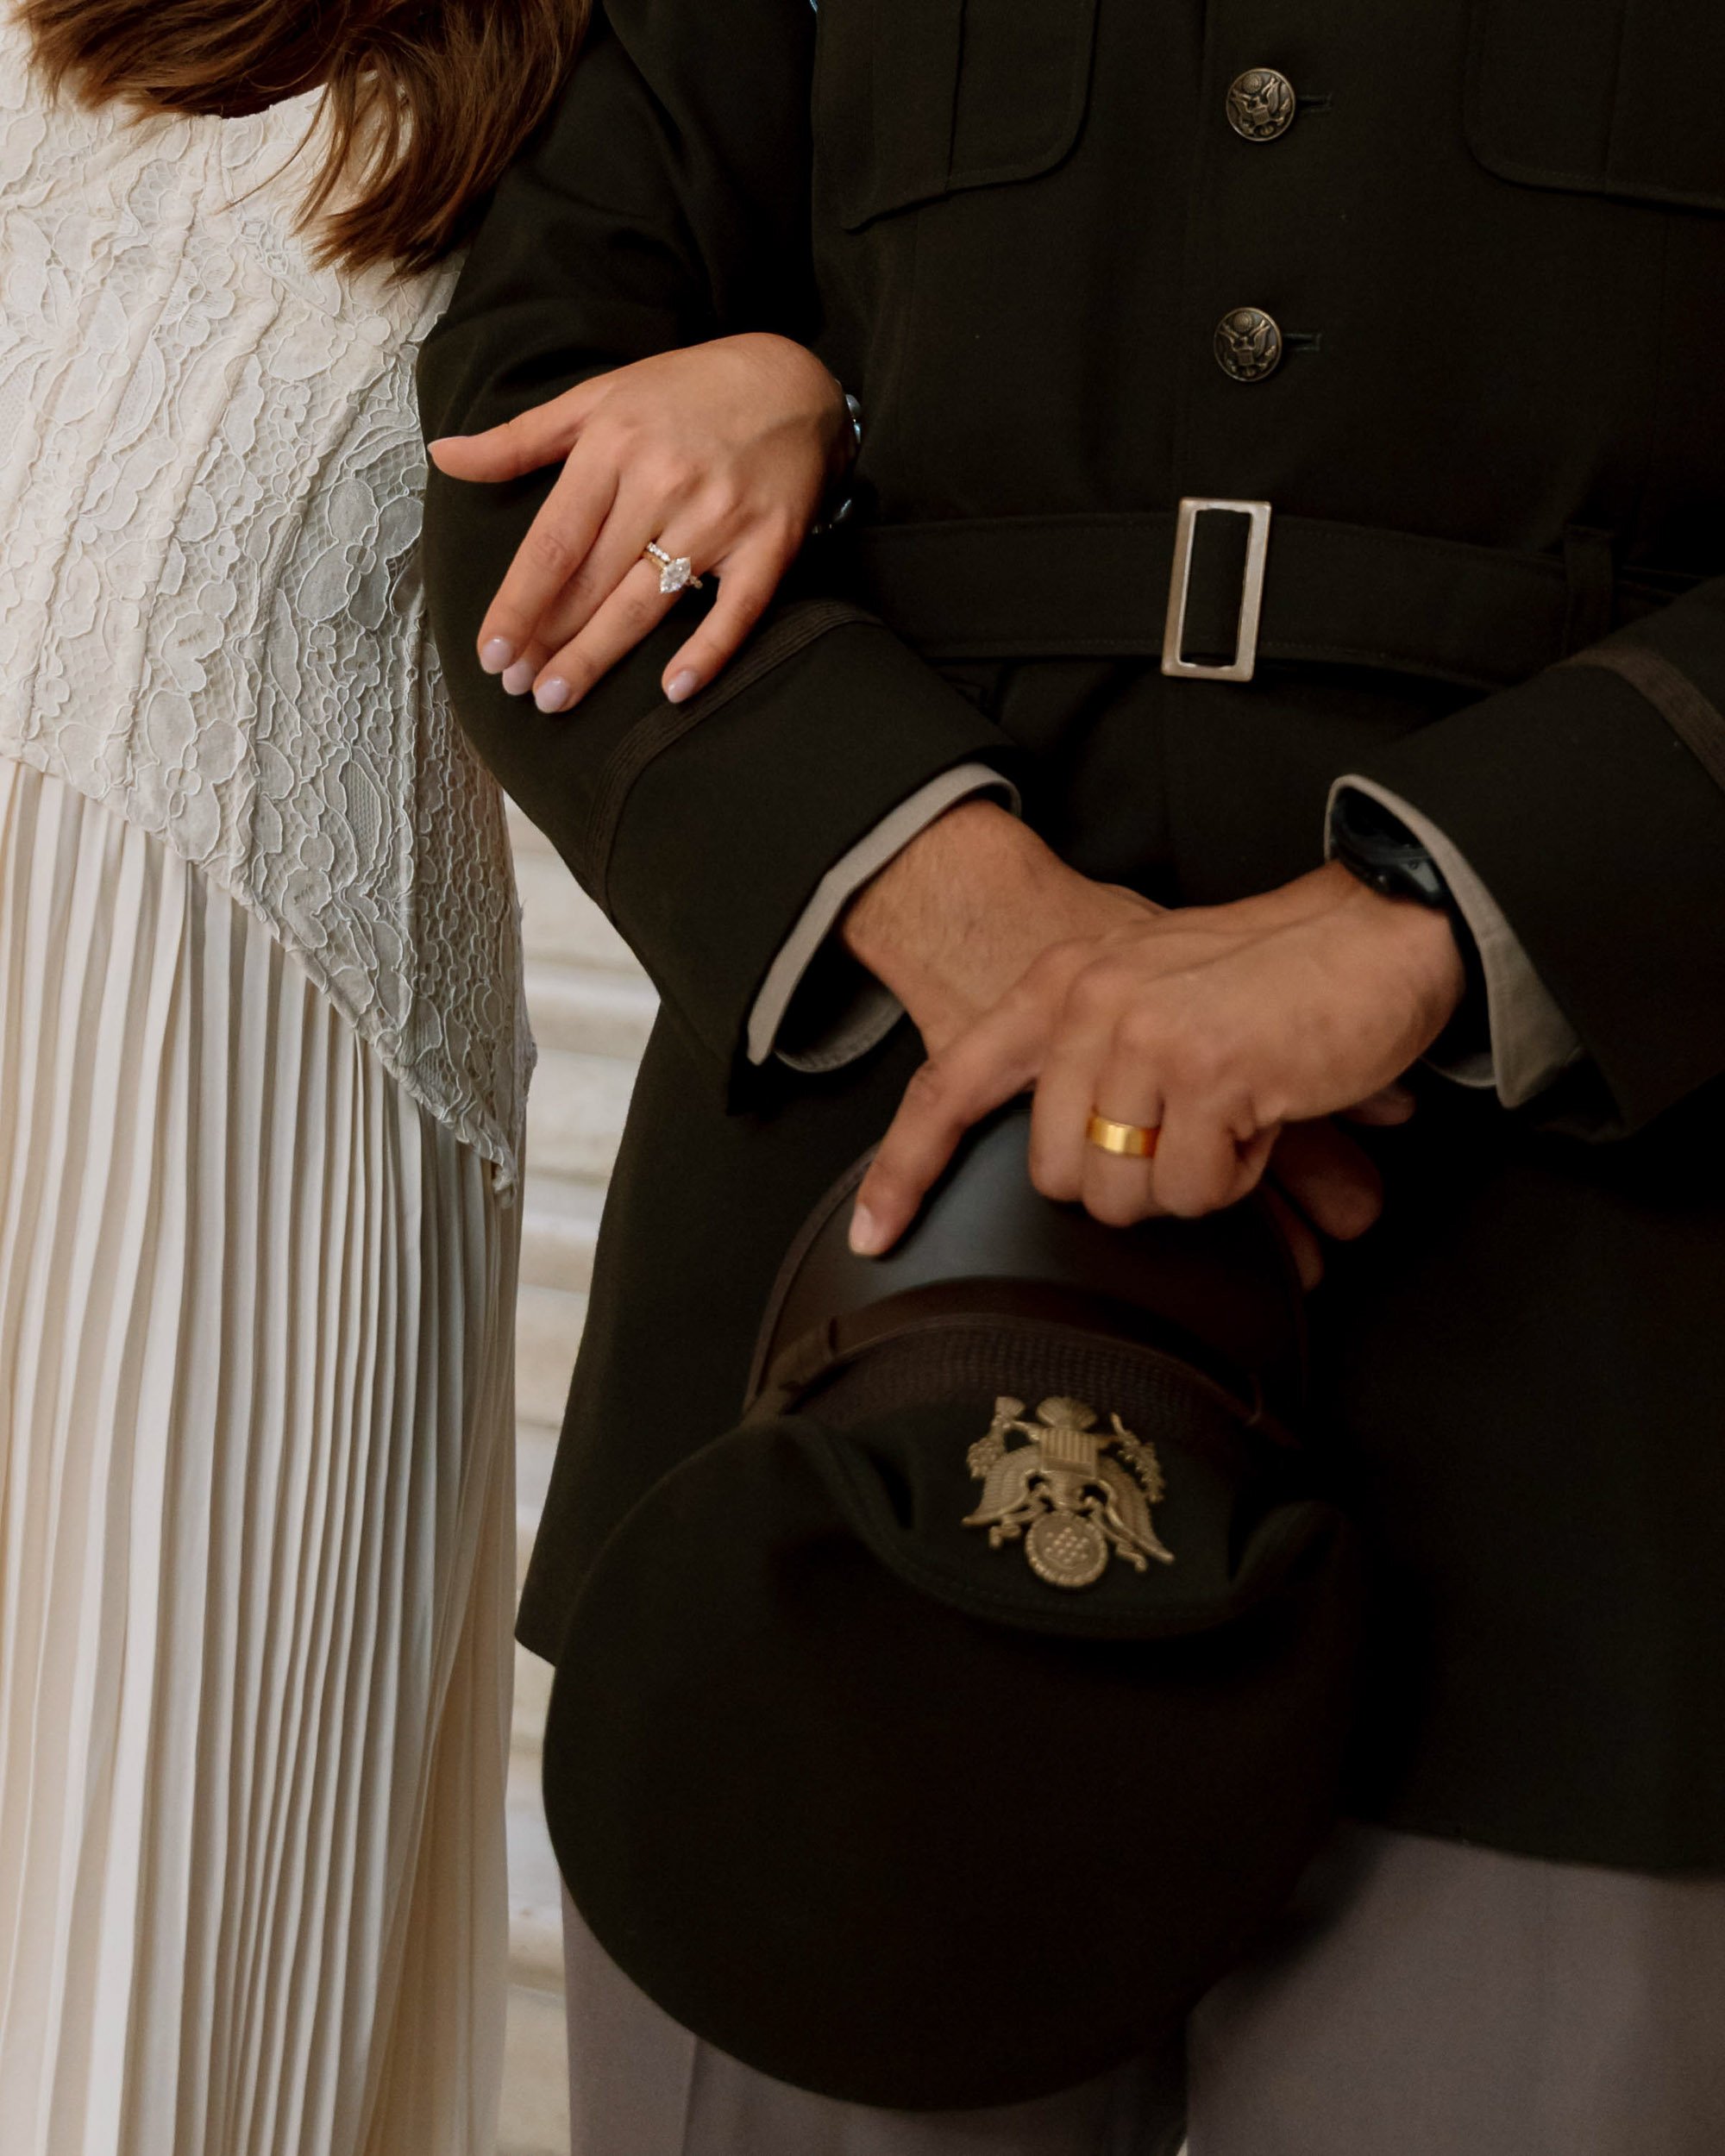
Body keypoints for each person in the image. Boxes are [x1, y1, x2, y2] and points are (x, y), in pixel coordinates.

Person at [420, 3, 1725, 2152]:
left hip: (1606, 1403)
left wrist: (1435, 918)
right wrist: (982, 923)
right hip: (843, 1367)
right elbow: (535, 418)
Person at [0, 5, 847, 2151]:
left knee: (140, 1964)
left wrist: (826, 398)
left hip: (238, 1106)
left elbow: (991, 361)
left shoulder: (667, 65)